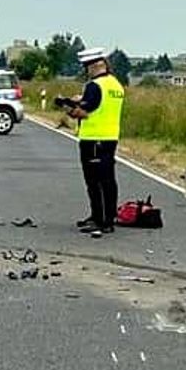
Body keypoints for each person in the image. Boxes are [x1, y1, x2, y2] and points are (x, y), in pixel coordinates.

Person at [58, 46, 125, 234]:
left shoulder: (94, 86)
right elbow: (100, 106)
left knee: (94, 181)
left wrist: (67, 107)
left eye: (87, 66)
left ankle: (100, 220)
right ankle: (106, 216)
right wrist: (80, 99)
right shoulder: (115, 84)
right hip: (110, 136)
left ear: (96, 65)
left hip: (93, 138)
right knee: (108, 179)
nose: (86, 71)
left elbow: (84, 112)